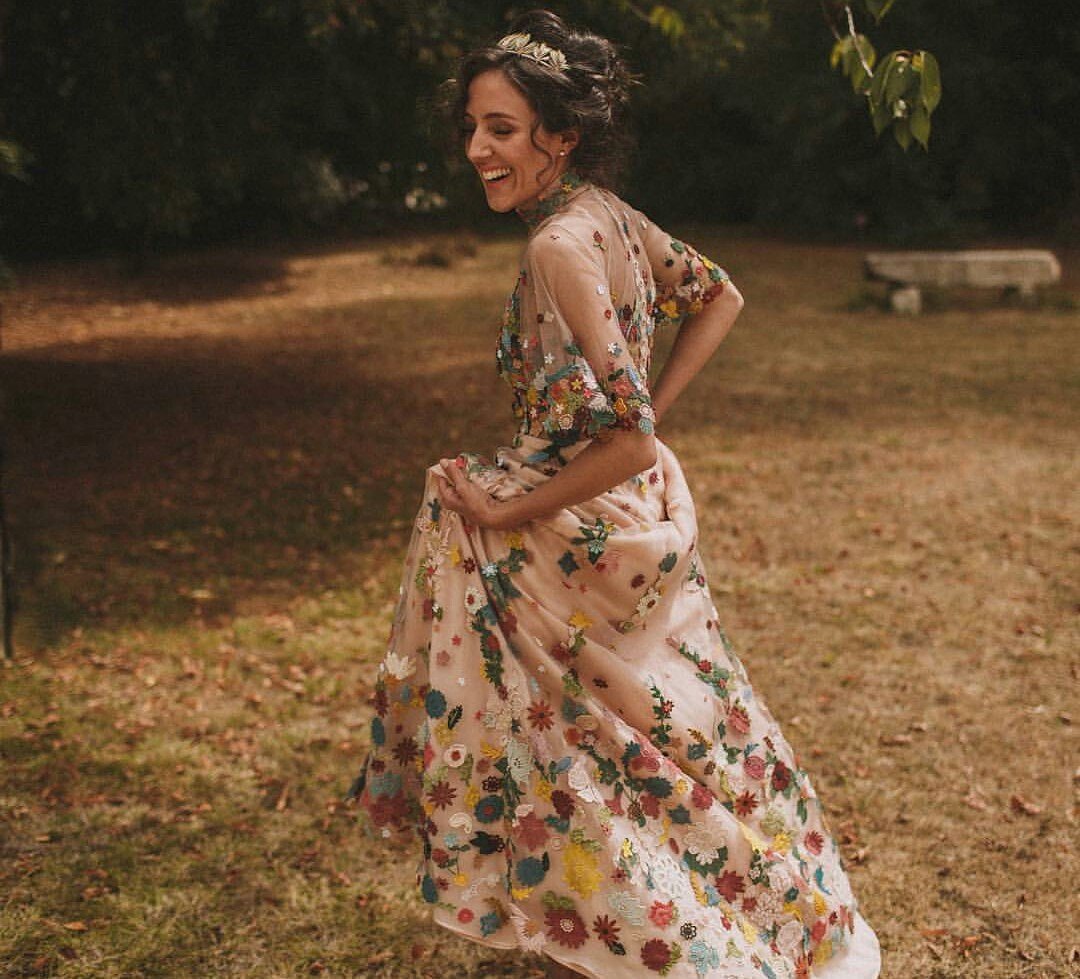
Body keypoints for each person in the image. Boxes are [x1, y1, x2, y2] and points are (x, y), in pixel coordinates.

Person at [349, 10, 881, 979]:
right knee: (664, 725)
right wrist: (647, 424)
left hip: (575, 521)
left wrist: (506, 509)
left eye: (501, 129)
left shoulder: (560, 243)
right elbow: (721, 297)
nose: (476, 148)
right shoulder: (612, 216)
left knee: (584, 744)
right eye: (473, 126)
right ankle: (732, 904)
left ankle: (652, 924)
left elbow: (628, 430)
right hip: (622, 508)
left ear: (562, 136)